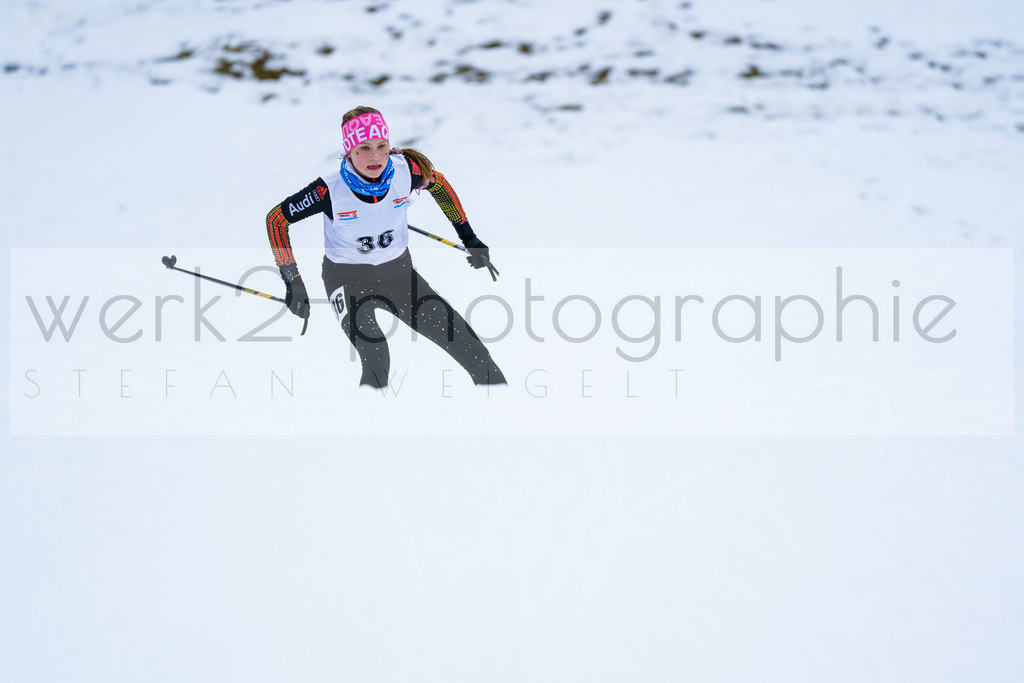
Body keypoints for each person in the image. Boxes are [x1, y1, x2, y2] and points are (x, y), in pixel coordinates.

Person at [265, 105, 506, 389]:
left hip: (400, 276)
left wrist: (470, 238)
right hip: (346, 280)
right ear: (349, 151)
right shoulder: (328, 189)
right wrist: (293, 280)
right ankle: (367, 413)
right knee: (376, 357)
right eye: (364, 148)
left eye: (381, 146)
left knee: (473, 351)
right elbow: (276, 220)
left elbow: (440, 185)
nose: (375, 156)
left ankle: (501, 408)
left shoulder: (407, 170)